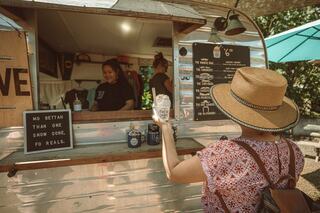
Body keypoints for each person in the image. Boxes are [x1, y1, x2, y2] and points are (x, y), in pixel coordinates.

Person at [153, 67, 304, 212]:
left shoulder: (224, 154)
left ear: (236, 111)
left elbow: (174, 172)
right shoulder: (294, 151)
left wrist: (165, 126)